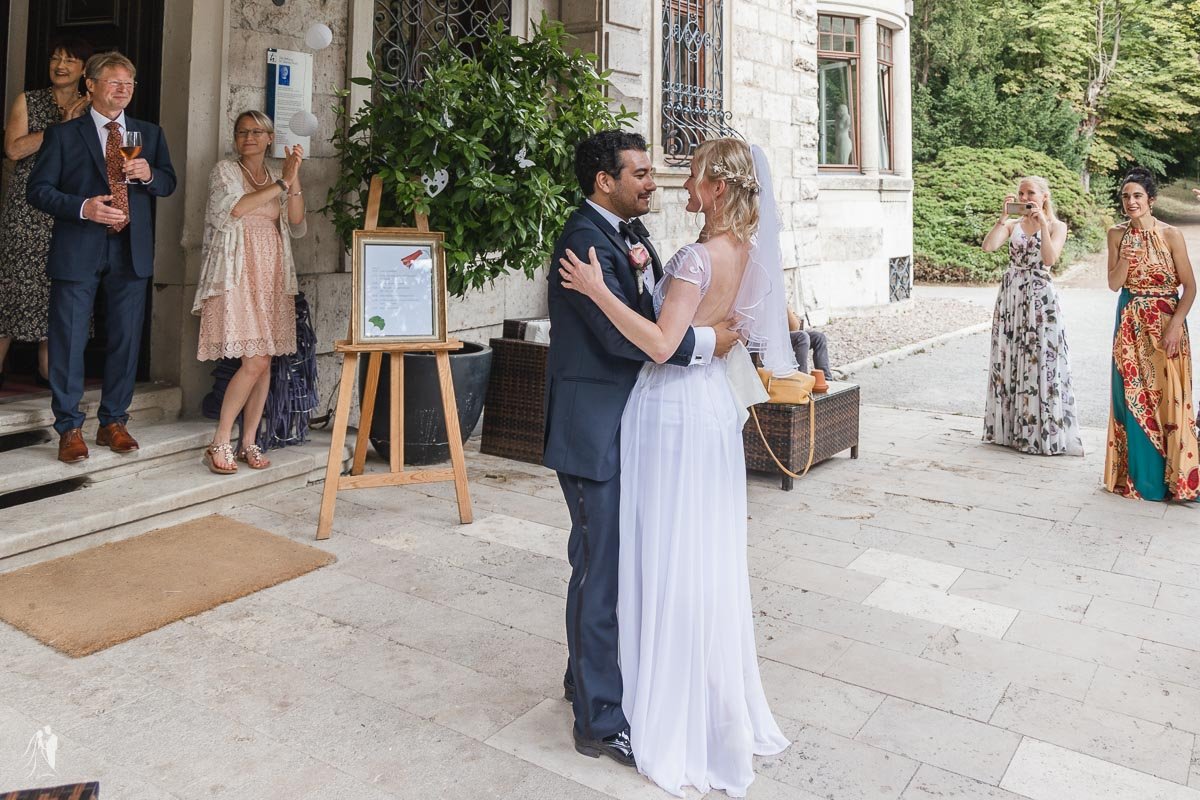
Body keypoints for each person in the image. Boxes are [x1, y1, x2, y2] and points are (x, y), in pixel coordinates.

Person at [557, 138, 791, 796]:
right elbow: (729, 332)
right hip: (710, 412)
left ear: (716, 186)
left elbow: (661, 343)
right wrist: (712, 336)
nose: (675, 183)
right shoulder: (747, 252)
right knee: (698, 548)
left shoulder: (695, 254)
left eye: (689, 174)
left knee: (661, 550)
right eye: (646, 172)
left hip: (670, 414)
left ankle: (647, 691)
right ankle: (650, 681)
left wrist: (604, 290)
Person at [543, 130, 739, 771]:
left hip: (626, 423)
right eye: (641, 173)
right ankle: (598, 722)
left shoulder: (632, 237)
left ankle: (584, 678)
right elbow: (628, 339)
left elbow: (651, 309)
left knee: (601, 563)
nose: (652, 182)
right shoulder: (581, 240)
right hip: (591, 427)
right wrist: (708, 342)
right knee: (600, 572)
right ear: (606, 180)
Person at [27, 51, 176, 463]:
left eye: (129, 83)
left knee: (126, 341)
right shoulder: (64, 135)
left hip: (131, 249)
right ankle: (69, 427)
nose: (123, 90)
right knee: (68, 339)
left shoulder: (147, 133)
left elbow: (168, 181)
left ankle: (114, 421)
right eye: (114, 82)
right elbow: (37, 190)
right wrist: (83, 207)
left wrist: (150, 174)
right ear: (90, 85)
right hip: (80, 246)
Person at [193, 110, 306, 474]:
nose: (249, 138)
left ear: (270, 138)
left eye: (257, 132)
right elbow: (236, 208)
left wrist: (293, 178)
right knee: (254, 360)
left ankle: (248, 441)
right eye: (242, 132)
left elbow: (297, 222)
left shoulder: (276, 176)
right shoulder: (224, 171)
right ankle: (220, 441)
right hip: (238, 271)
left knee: (266, 361)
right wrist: (283, 185)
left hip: (272, 272)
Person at [0, 37, 93, 388]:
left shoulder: (94, 107)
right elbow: (13, 149)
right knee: (11, 290)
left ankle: (55, 381)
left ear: (85, 69)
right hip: (27, 211)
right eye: (56, 58)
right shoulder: (29, 100)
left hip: (71, 209)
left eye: (69, 59)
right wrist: (60, 129)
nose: (60, 65)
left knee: (60, 294)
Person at [1104, 167, 1199, 501]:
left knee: (1169, 398)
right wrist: (1126, 260)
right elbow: (1114, 284)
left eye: (1138, 196)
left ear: (1151, 200)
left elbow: (1190, 287)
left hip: (1166, 323)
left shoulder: (1170, 234)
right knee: (1131, 397)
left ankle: (1175, 479)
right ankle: (1138, 478)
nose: (1131, 202)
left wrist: (1175, 325)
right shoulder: (1117, 235)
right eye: (1126, 196)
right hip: (1129, 322)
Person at [979, 176, 1083, 456]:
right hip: (1012, 295)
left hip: (1040, 297)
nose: (1025, 197)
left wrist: (1043, 227)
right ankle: (1012, 430)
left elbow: (1049, 259)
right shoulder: (1013, 225)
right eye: (1021, 192)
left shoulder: (1058, 226)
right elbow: (988, 247)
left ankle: (1040, 432)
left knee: (1041, 358)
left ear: (1044, 196)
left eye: (1031, 193)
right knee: (1011, 356)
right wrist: (1002, 218)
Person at [787, 306, 830, 375]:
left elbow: (796, 324)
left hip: (786, 334)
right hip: (773, 339)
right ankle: (802, 377)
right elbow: (794, 327)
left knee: (819, 337)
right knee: (802, 337)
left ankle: (825, 379)